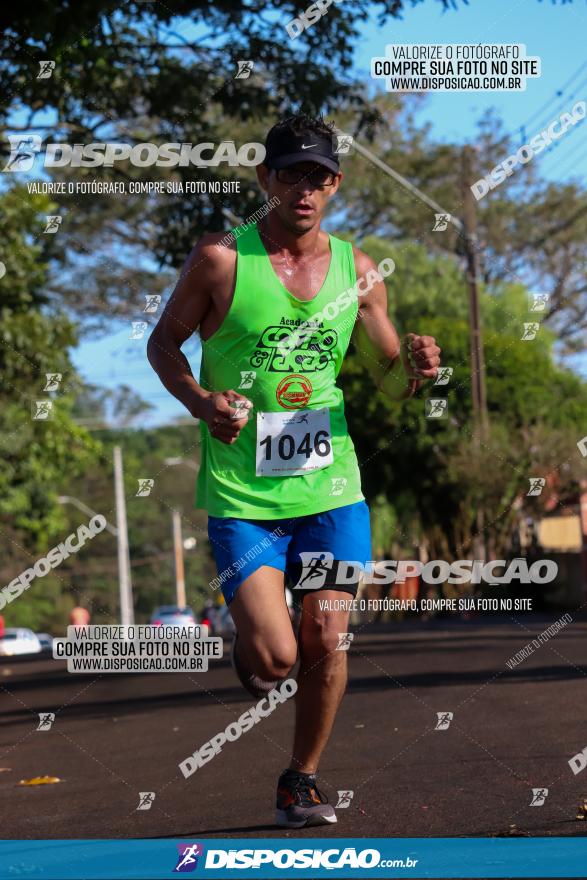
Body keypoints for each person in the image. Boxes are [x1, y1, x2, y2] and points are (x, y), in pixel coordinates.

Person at [147, 113, 440, 828]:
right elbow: (163, 345)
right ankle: (252, 645)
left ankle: (300, 779)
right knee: (275, 660)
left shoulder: (358, 272)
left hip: (330, 481)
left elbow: (388, 380)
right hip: (243, 491)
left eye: (317, 176)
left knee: (326, 637)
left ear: (334, 184)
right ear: (264, 179)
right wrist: (200, 401)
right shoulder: (221, 259)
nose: (303, 189)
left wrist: (420, 373)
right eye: (289, 174)